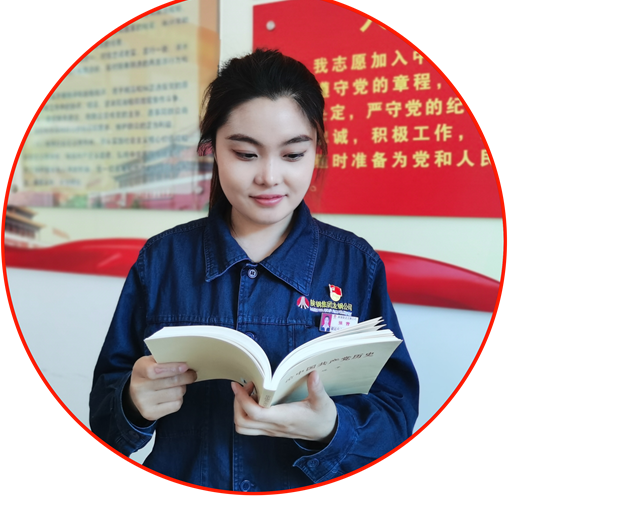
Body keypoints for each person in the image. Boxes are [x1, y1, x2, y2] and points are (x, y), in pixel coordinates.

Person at [89, 49, 419, 492]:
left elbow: (397, 414)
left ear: (316, 150)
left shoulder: (354, 263)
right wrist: (132, 403)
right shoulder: (162, 260)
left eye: (293, 154)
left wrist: (331, 428)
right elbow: (102, 422)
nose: (269, 176)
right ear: (212, 149)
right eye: (246, 154)